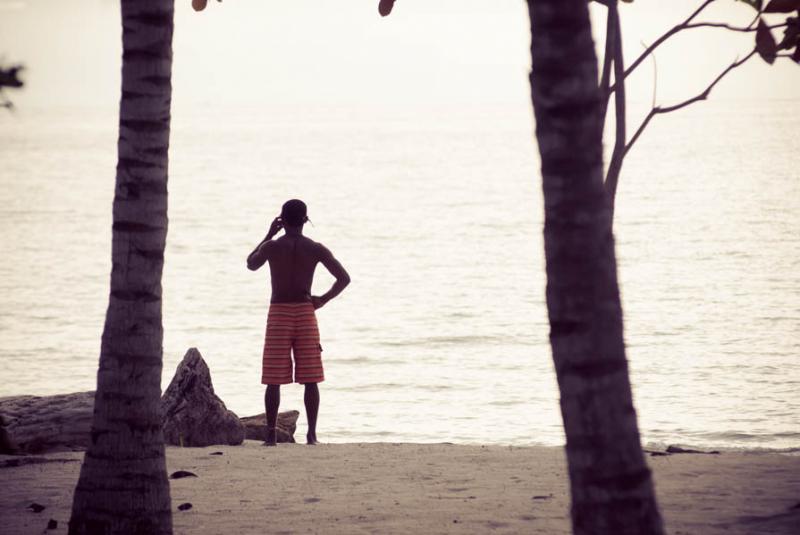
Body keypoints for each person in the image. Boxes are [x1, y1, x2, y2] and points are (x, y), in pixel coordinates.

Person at [247, 199, 350, 445]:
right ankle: (312, 435)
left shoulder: (272, 246)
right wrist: (322, 300)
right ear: (305, 220)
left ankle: (270, 436)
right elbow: (343, 278)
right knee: (311, 377)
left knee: (273, 378)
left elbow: (251, 264)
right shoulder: (315, 248)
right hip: (305, 312)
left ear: (282, 220)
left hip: (279, 312)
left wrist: (268, 234)